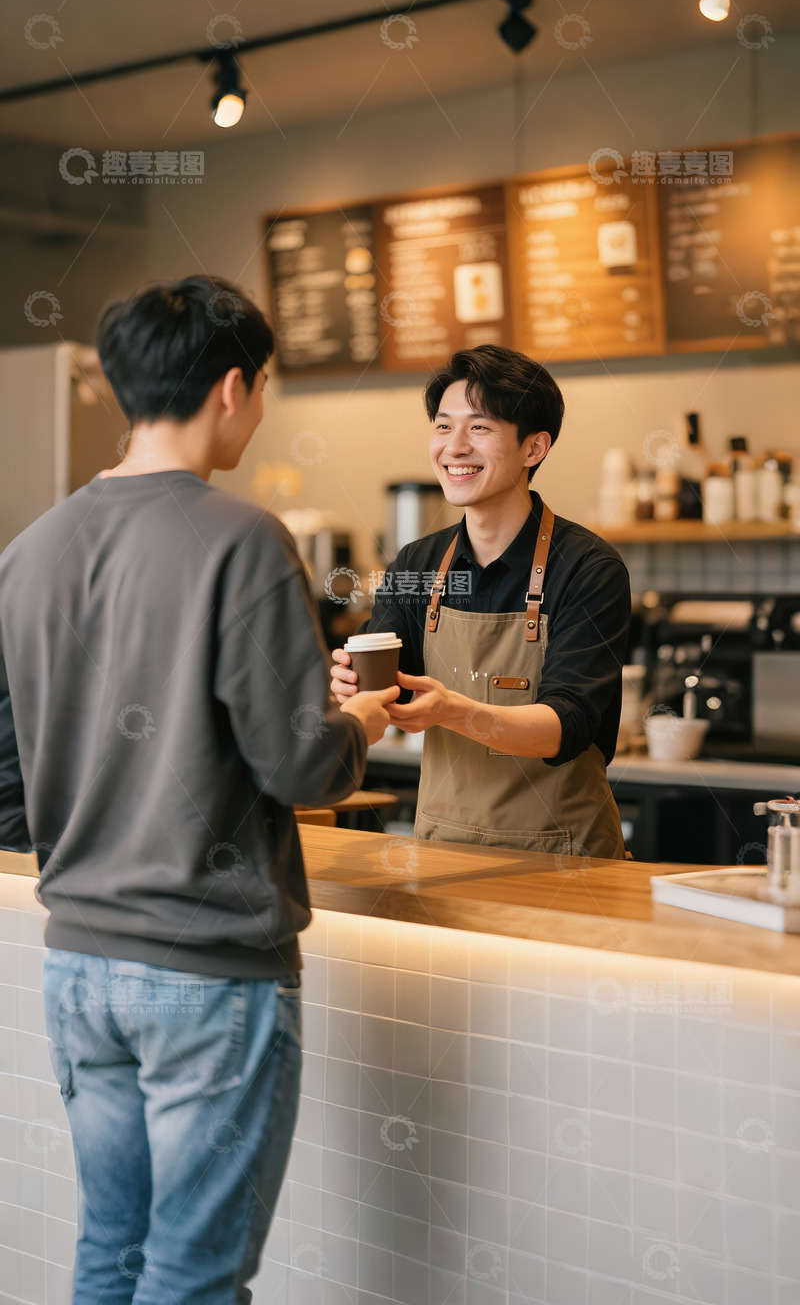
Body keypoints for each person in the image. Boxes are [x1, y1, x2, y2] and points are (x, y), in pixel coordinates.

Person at [0, 276, 398, 1305]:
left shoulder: (30, 550)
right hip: (208, 969)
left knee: (110, 1253)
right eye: (262, 387)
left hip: (78, 963)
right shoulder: (240, 537)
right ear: (232, 386)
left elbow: (14, 765)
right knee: (192, 1275)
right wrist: (363, 717)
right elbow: (301, 766)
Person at [331, 344, 631, 857]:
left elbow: (568, 725)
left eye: (481, 428)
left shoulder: (588, 568)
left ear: (534, 448)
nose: (455, 447)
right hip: (442, 851)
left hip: (564, 858)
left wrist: (452, 710)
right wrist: (354, 690)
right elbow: (388, 703)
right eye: (444, 426)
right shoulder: (416, 567)